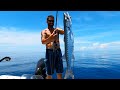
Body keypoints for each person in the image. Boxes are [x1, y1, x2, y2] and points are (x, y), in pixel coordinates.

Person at [41, 15, 64, 79]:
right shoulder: (44, 31)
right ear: (47, 21)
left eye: (52, 21)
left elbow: (65, 32)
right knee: (49, 72)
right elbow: (43, 42)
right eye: (50, 21)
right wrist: (51, 38)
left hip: (58, 51)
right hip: (49, 52)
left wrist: (59, 29)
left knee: (59, 71)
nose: (51, 22)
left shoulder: (57, 30)